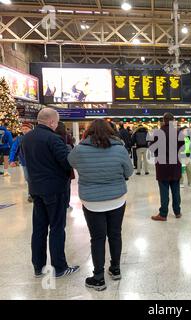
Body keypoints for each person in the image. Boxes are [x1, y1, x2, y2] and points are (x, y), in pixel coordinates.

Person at [68, 119, 133, 291]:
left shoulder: (80, 149)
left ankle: (98, 277)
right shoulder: (119, 148)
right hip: (116, 198)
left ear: (88, 132)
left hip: (92, 201)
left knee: (97, 238)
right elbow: (129, 171)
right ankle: (116, 268)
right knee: (115, 234)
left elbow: (71, 162)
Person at [22, 108, 79, 278]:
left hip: (36, 189)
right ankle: (59, 268)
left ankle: (38, 267)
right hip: (54, 190)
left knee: (39, 228)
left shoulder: (27, 138)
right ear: (52, 122)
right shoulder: (54, 139)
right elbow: (66, 163)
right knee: (56, 228)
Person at [150, 113, 184, 221]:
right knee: (176, 190)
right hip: (175, 165)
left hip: (162, 166)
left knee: (164, 191)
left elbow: (152, 149)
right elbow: (183, 147)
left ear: (163, 121)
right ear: (173, 120)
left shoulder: (157, 133)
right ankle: (177, 212)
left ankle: (163, 214)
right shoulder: (178, 133)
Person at [9, 122, 33, 202]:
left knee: (35, 178)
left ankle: (34, 194)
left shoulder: (35, 138)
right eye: (23, 129)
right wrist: (11, 160)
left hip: (36, 162)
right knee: (28, 178)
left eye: (26, 129)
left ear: (31, 129)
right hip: (25, 163)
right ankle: (31, 194)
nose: (24, 131)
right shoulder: (19, 139)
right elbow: (14, 149)